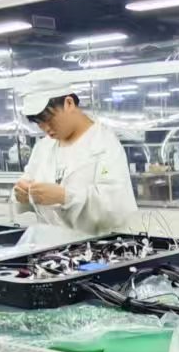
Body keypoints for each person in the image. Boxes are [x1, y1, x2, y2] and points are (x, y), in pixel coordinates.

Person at [14, 75, 139, 235]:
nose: (45, 128)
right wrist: (22, 195)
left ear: (69, 103)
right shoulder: (43, 148)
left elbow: (116, 207)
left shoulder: (104, 145)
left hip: (96, 248)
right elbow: (26, 182)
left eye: (48, 119)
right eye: (39, 122)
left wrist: (65, 197)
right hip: (50, 247)